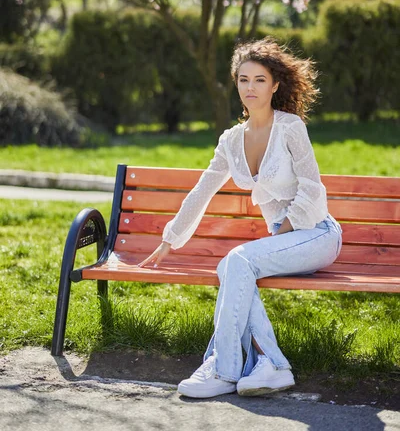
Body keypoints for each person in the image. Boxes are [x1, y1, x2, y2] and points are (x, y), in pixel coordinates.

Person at [136, 37, 343, 399]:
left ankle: (223, 367)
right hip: (281, 243)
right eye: (244, 79)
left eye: (260, 80)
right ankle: (270, 364)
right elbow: (203, 189)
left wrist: (286, 229)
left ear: (275, 85)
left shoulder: (290, 127)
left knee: (237, 260)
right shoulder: (231, 140)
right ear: (236, 84)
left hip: (317, 234)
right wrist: (171, 239)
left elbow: (312, 186)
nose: (251, 87)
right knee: (233, 266)